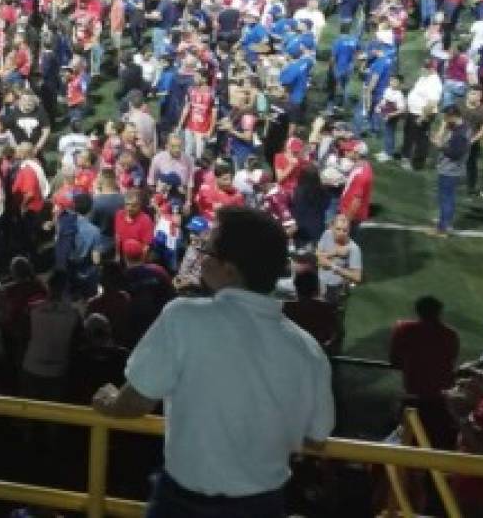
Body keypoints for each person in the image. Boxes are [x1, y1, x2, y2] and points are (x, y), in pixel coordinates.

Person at [93, 207, 334, 518]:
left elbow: (135, 402)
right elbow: (316, 437)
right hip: (264, 504)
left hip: (183, 503)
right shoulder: (308, 351)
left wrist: (109, 402)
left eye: (207, 248)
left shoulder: (184, 317)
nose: (201, 254)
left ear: (229, 269)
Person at [388, 296, 460, 430]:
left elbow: (395, 361)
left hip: (414, 397)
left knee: (405, 435)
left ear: (417, 311)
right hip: (442, 400)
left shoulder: (404, 329)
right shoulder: (451, 334)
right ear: (439, 312)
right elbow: (452, 359)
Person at [20, 271, 82, 402]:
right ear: (65, 288)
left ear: (48, 285)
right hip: (58, 370)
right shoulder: (75, 314)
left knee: (26, 413)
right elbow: (77, 343)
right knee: (52, 415)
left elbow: (23, 335)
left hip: (32, 366)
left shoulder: (32, 309)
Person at [432, 104, 471, 236]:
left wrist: (440, 146)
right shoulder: (460, 127)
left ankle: (444, 227)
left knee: (446, 198)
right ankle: (443, 223)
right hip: (450, 169)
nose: (444, 119)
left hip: (451, 170)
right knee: (446, 198)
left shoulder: (460, 133)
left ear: (453, 116)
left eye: (446, 117)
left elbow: (455, 154)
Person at [282, 271, 339, 353]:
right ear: (317, 288)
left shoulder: (287, 308)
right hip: (318, 353)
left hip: (292, 352)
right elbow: (334, 336)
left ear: (296, 287)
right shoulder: (326, 309)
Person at [316, 215, 363, 300]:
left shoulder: (353, 248)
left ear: (349, 231)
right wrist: (334, 253)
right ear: (332, 227)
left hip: (336, 288)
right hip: (319, 281)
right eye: (338, 229)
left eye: (345, 230)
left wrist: (333, 266)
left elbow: (357, 277)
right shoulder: (327, 234)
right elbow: (318, 256)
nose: (341, 233)